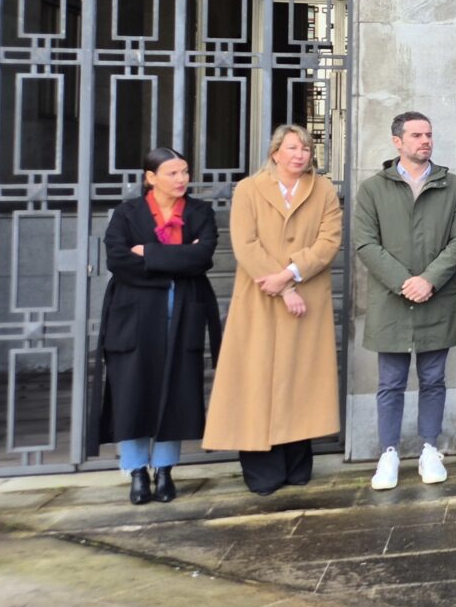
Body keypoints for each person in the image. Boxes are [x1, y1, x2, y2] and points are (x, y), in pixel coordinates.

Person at [202, 125, 343, 495]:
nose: (300, 154)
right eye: (292, 147)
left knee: (300, 381)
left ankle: (296, 463)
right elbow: (245, 243)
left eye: (306, 148)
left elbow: (329, 241)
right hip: (260, 298)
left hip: (307, 297)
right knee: (257, 380)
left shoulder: (323, 189)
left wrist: (290, 274)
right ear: (275, 152)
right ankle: (262, 469)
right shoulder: (249, 189)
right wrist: (283, 288)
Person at [353, 111, 456, 491]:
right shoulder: (373, 189)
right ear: (397, 141)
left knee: (434, 379)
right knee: (390, 382)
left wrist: (429, 280)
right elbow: (365, 243)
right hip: (392, 301)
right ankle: (388, 453)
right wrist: (404, 282)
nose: (425, 141)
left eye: (429, 134)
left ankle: (429, 449)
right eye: (417, 135)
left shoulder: (452, 185)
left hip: (437, 299)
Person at [98, 148, 222, 504]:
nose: (182, 179)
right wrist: (177, 260)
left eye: (185, 171)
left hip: (182, 312)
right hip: (133, 315)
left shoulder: (199, 212)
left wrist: (148, 253)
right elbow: (118, 261)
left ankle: (165, 469)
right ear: (150, 178)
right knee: (132, 392)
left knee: (176, 390)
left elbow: (203, 257)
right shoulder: (127, 213)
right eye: (172, 173)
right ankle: (137, 471)